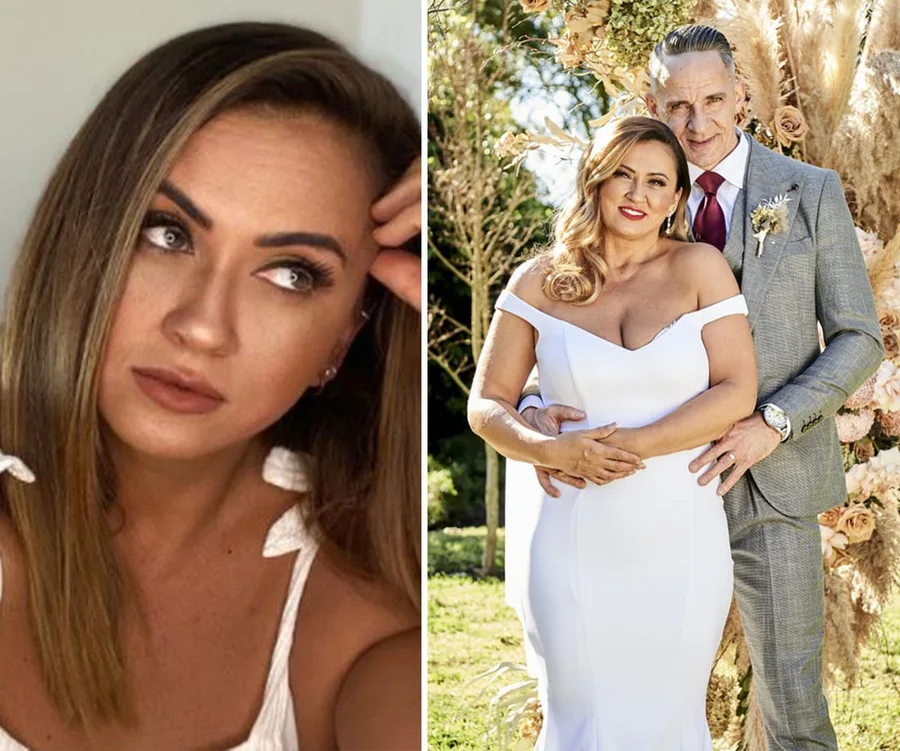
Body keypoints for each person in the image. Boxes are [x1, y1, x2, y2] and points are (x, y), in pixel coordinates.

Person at [0, 22, 421, 751]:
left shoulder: (368, 637)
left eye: (291, 273)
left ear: (344, 338)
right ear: (86, 240)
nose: (202, 326)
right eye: (167, 233)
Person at [519, 26, 884, 750]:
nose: (698, 122)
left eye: (714, 99)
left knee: (792, 709)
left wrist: (772, 421)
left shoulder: (808, 193)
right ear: (653, 103)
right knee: (628, 696)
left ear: (741, 97)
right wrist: (533, 407)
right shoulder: (633, 194)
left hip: (771, 485)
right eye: (678, 105)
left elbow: (859, 337)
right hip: (641, 491)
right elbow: (563, 310)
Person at [468, 115, 759, 748]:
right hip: (571, 531)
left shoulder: (702, 268)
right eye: (622, 175)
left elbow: (738, 388)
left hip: (680, 532)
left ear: (678, 198)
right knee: (581, 719)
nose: (638, 194)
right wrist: (549, 448)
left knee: (671, 718)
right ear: (594, 182)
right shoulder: (537, 282)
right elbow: (486, 404)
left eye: (658, 182)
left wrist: (636, 445)